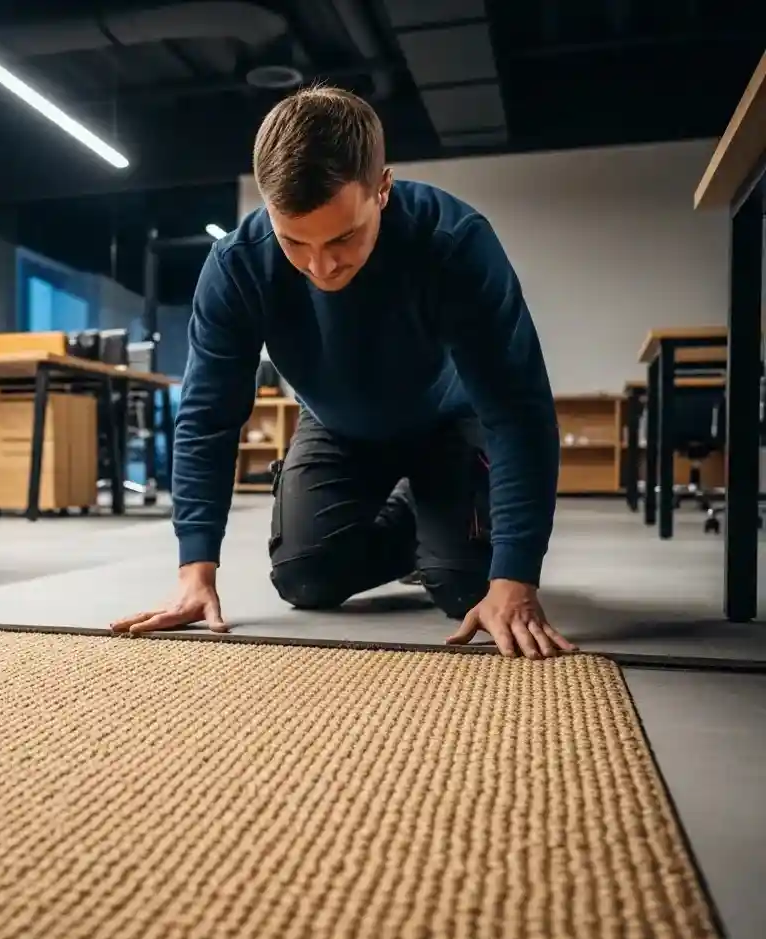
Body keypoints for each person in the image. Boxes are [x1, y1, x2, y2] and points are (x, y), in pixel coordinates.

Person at [113, 85, 576, 660]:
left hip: (450, 424)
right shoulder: (237, 267)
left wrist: (515, 578)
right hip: (337, 425)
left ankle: (442, 522)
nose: (321, 265)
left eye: (343, 237)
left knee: (465, 589)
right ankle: (423, 520)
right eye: (294, 242)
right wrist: (195, 569)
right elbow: (208, 418)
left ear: (382, 188)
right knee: (305, 579)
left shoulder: (455, 245)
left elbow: (518, 411)